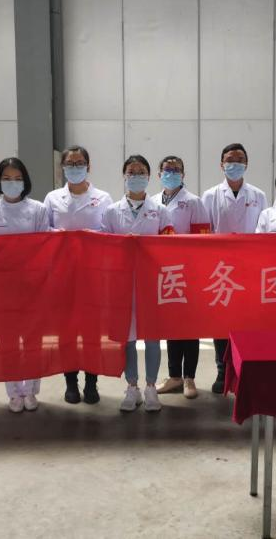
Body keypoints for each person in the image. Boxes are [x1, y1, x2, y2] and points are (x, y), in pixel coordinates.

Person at [101, 154, 174, 413]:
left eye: (141, 172)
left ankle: (151, 386)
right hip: (122, 283)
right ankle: (132, 386)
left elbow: (170, 246)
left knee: (152, 336)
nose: (136, 176)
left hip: (151, 282)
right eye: (131, 172)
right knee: (128, 337)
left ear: (149, 176)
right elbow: (103, 246)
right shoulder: (111, 211)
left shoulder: (161, 210)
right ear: (124, 176)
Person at [44, 145, 113, 405]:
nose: (75, 168)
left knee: (93, 332)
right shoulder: (52, 198)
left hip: (93, 273)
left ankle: (91, 382)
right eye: (70, 164)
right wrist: (60, 237)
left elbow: (109, 231)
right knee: (67, 330)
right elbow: (44, 231)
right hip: (63, 273)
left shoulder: (103, 197)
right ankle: (70, 382)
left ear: (88, 166)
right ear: (63, 167)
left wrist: (90, 238)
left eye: (80, 163)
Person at [0, 157, 50, 413]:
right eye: (7, 178)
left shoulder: (38, 209)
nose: (12, 183)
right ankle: (13, 392)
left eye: (17, 178)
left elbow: (44, 247)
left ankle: (30, 390)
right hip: (3, 288)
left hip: (32, 286)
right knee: (7, 341)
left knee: (33, 340)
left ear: (25, 181)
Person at [201, 143, 268, 393]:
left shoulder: (259, 195)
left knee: (248, 320)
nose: (235, 164)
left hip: (251, 265)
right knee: (221, 322)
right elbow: (204, 231)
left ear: (246, 164)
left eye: (240, 159)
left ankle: (246, 370)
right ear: (221, 164)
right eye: (230, 159)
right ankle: (222, 370)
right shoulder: (210, 195)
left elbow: (264, 229)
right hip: (220, 268)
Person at [151, 156, 211, 400]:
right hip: (163, 271)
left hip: (188, 270)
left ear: (183, 175)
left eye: (176, 170)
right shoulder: (152, 202)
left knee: (190, 325)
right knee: (172, 325)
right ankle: (174, 376)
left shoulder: (194, 202)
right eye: (167, 170)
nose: (171, 173)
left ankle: (189, 377)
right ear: (159, 174)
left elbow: (203, 239)